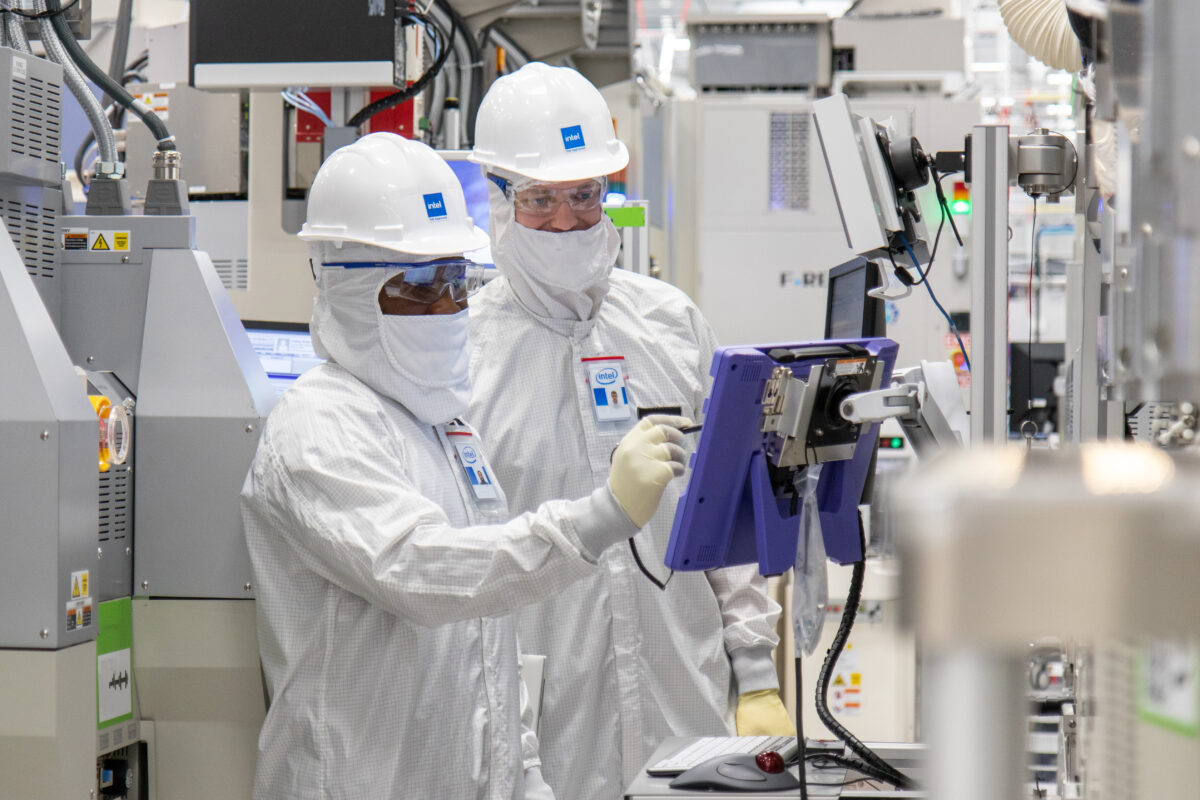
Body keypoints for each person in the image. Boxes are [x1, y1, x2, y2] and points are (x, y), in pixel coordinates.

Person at [241, 132, 692, 800]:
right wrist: (601, 517)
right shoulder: (319, 427)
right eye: (419, 288)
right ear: (347, 289)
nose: (448, 309)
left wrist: (527, 778)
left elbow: (490, 639)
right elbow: (424, 572)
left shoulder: (446, 426)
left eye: (456, 282)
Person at [467, 63, 795, 800]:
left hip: (683, 687)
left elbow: (724, 513)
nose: (567, 221)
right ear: (498, 200)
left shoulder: (669, 323)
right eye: (541, 200)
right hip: (541, 716)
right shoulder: (462, 361)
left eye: (584, 196)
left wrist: (754, 671)